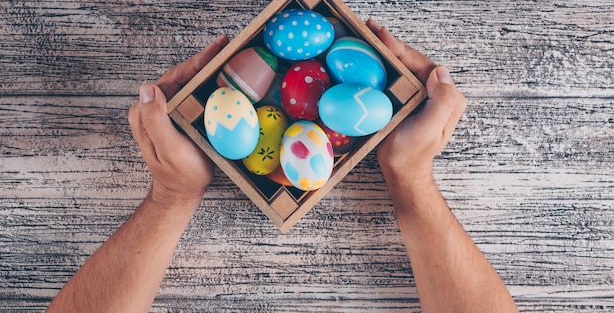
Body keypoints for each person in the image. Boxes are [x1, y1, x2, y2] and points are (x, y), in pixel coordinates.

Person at [46, 19, 519, 313]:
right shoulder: (295, 107)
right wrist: (410, 176)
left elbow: (304, 114)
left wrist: (173, 194)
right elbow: (287, 115)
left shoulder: (310, 106)